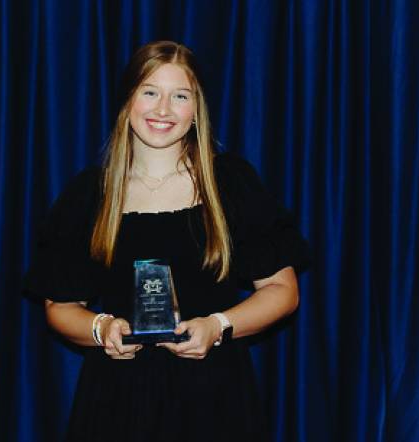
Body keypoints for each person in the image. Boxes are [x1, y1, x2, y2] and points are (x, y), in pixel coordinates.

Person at [23, 41, 309, 441]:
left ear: (196, 111)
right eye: (150, 92)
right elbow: (60, 307)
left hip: (215, 400)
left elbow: (282, 290)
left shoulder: (230, 185)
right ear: (127, 101)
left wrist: (218, 325)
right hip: (116, 403)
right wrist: (101, 329)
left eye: (180, 96)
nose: (163, 109)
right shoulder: (90, 195)